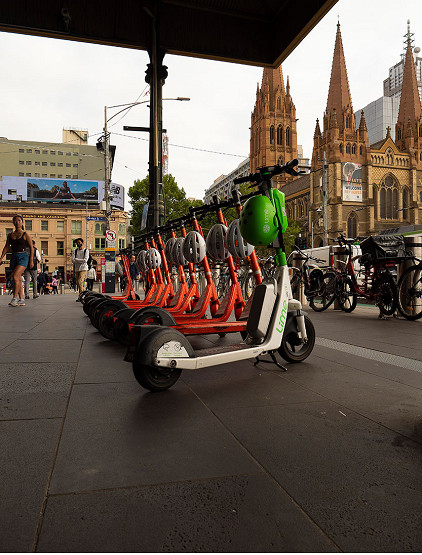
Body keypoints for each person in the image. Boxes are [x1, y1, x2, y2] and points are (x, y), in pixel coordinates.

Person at [0, 215, 34, 306]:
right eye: (15, 221)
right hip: (13, 257)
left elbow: (31, 247)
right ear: (13, 223)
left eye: (19, 220)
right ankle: (21, 299)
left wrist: (31, 261)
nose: (17, 222)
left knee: (15, 276)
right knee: (18, 278)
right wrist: (1, 257)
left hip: (23, 256)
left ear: (22, 222)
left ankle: (14, 298)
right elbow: (6, 247)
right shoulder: (10, 235)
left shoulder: (25, 234)